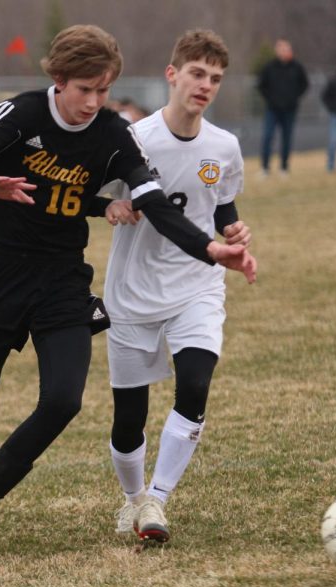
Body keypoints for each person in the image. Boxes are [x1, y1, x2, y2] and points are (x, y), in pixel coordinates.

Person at [0, 24, 256, 557]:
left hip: (62, 279)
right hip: (2, 274)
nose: (94, 102)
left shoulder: (111, 133)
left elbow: (149, 197)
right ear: (59, 80)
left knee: (63, 401)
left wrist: (210, 249)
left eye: (103, 90)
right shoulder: (23, 113)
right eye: (85, 89)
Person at [100, 29, 251, 544]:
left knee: (196, 383)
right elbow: (87, 195)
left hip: (197, 286)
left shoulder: (225, 147)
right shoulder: (134, 140)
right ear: (173, 74)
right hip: (133, 293)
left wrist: (233, 230)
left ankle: (157, 501)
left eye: (215, 78)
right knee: (129, 419)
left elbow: (223, 206)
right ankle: (132, 499)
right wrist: (109, 206)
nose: (206, 85)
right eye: (197, 74)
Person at [256, 39, 308, 176]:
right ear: (277, 51)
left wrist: (294, 97)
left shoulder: (297, 67)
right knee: (268, 137)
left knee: (287, 138)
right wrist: (270, 99)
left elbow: (304, 84)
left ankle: (284, 167)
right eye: (281, 49)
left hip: (290, 110)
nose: (284, 52)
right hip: (272, 109)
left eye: (286, 49)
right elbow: (261, 85)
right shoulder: (270, 67)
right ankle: (265, 168)